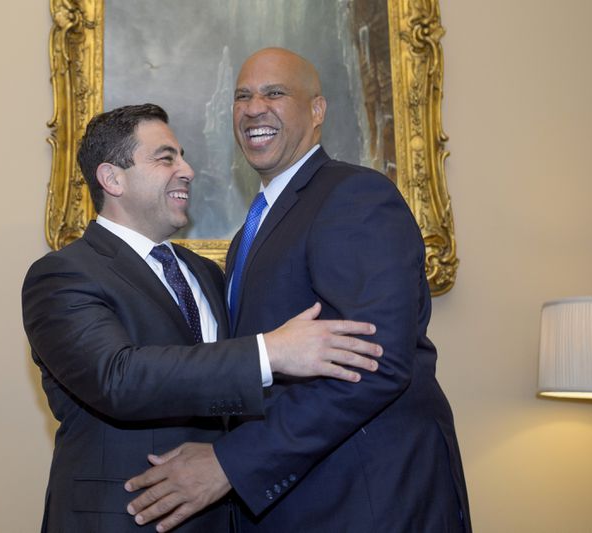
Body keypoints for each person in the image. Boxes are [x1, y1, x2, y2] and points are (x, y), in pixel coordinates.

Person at [126, 48, 472, 533]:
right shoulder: (262, 219)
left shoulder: (354, 196)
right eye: (242, 96)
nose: (252, 108)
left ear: (316, 111)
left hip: (369, 502)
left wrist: (230, 463)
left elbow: (372, 362)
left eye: (274, 93)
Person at [21, 103, 384, 532]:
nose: (188, 170)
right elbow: (117, 378)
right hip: (125, 519)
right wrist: (270, 352)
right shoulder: (62, 275)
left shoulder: (206, 274)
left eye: (184, 156)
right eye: (166, 157)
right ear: (112, 178)